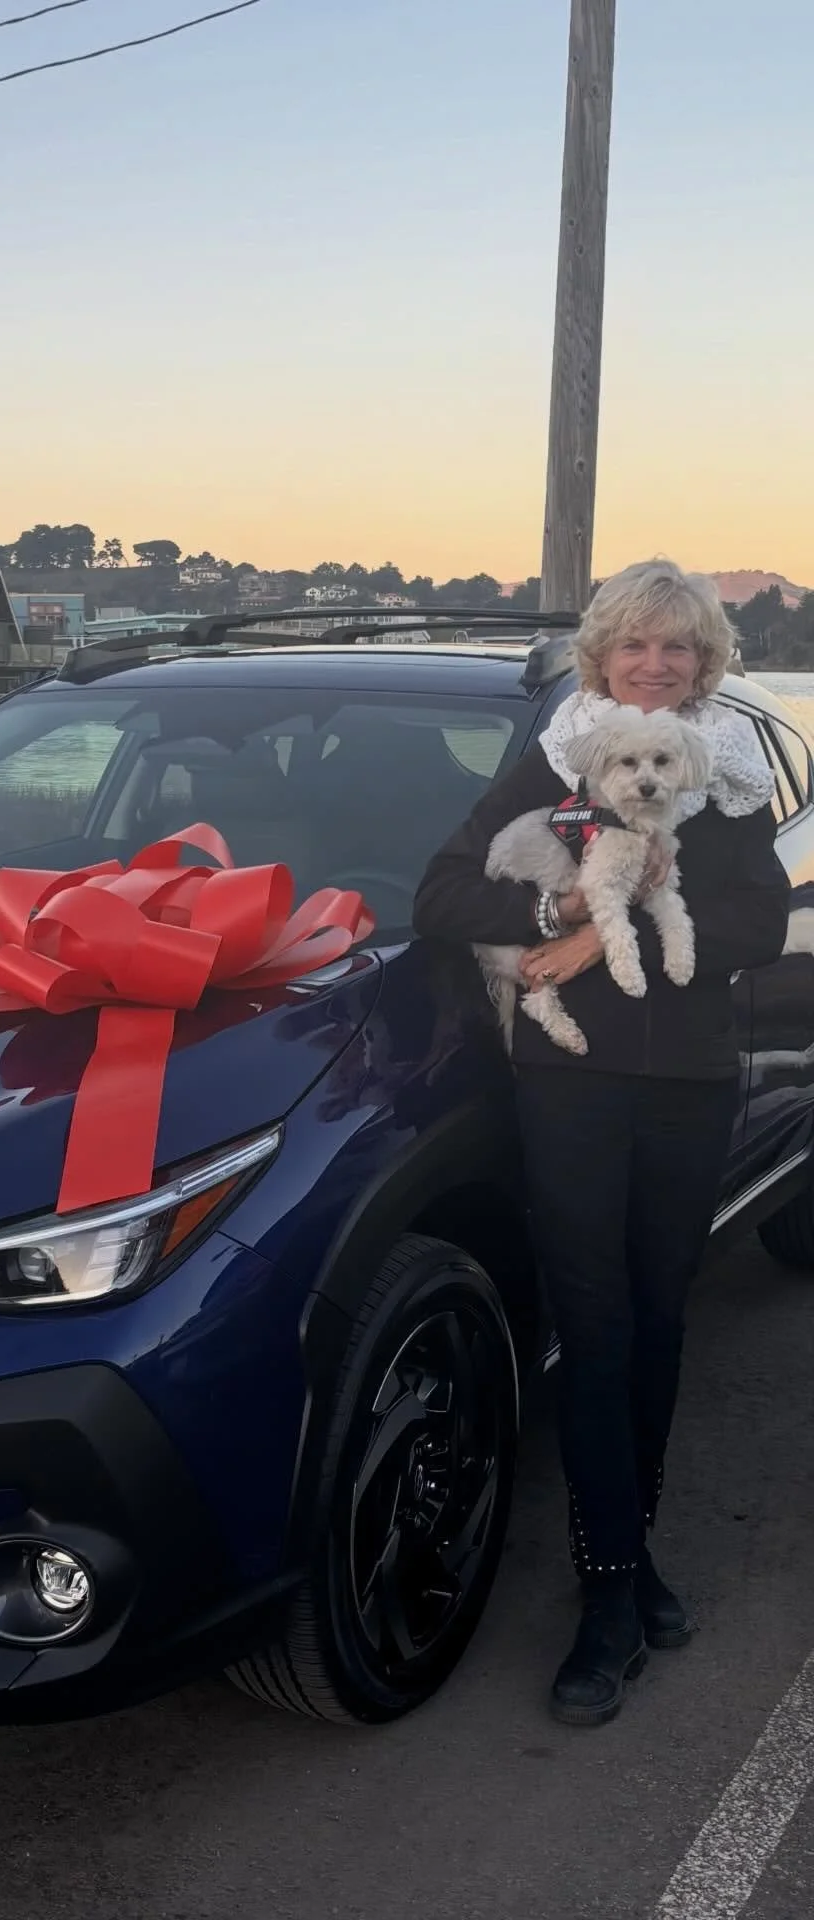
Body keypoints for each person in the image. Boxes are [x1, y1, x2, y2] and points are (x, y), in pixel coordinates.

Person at [412, 559, 790, 1726]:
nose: (658, 664)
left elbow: (759, 919)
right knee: (595, 1324)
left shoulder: (720, 768)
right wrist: (561, 917)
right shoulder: (561, 754)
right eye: (637, 645)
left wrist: (606, 938)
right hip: (571, 1085)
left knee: (661, 1316)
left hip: (686, 1078)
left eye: (679, 647)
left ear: (706, 662)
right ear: (604, 658)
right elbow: (439, 895)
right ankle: (610, 1595)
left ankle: (634, 1554)